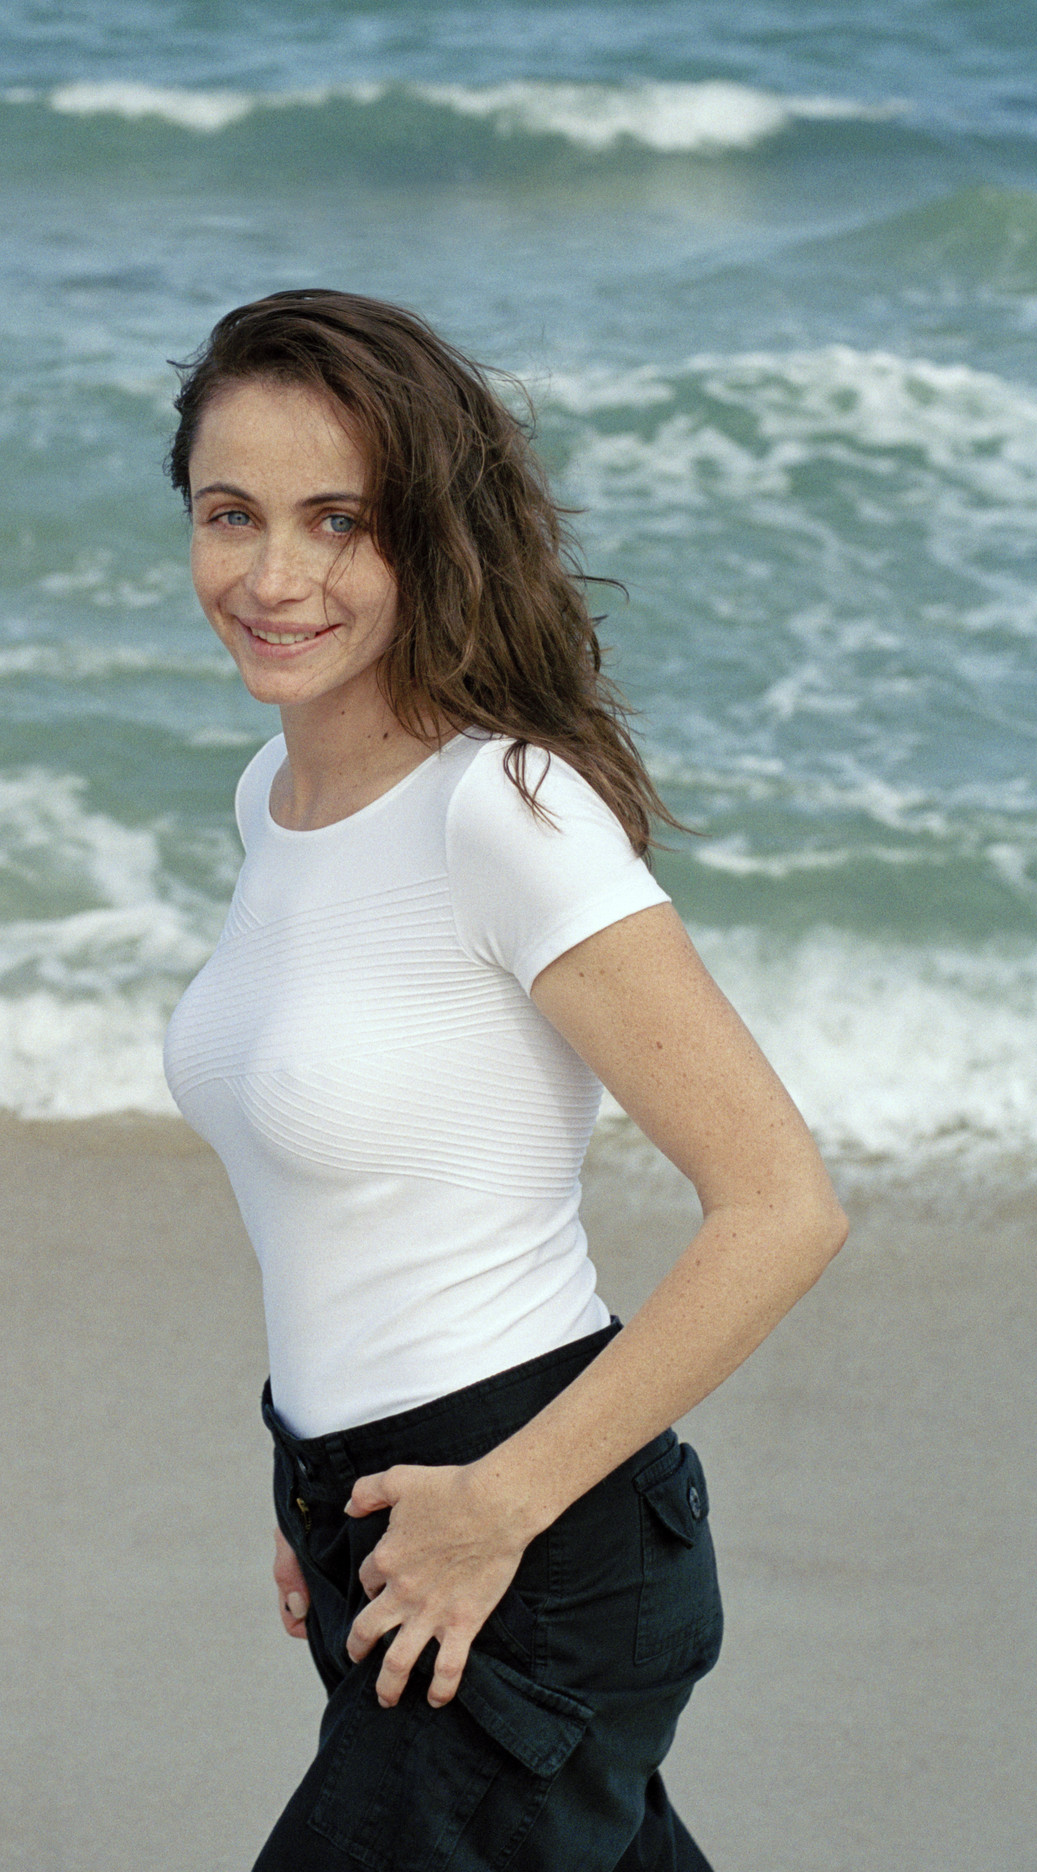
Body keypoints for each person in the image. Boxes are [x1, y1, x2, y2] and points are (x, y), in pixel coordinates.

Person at [162, 291, 847, 1872]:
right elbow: (356, 1204)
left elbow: (781, 1208)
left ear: (431, 534)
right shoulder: (273, 794)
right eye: (231, 514)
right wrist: (308, 1476)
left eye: (340, 522)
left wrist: (500, 1502)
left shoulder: (506, 809)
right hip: (383, 1523)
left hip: (527, 1538)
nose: (273, 577)